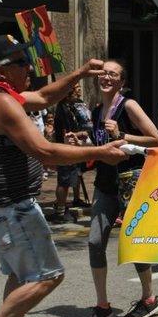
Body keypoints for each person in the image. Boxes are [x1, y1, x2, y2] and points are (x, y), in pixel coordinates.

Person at [0, 34, 127, 317]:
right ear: (1, 70)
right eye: (21, 63)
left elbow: (42, 96)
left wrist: (79, 73)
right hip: (11, 207)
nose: (29, 67)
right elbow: (45, 152)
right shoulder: (1, 103)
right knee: (48, 276)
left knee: (20, 273)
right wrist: (100, 152)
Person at [78, 59, 158, 317]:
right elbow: (104, 145)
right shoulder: (95, 111)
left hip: (131, 183)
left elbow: (156, 139)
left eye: (113, 74)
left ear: (121, 81)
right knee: (94, 242)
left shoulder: (129, 105)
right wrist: (84, 141)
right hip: (105, 184)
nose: (106, 77)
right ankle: (102, 305)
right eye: (103, 73)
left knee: (133, 243)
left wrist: (125, 134)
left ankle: (148, 298)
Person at [51, 83, 92, 223]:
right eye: (76, 90)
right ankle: (60, 210)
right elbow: (63, 130)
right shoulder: (62, 109)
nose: (78, 92)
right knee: (64, 179)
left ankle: (76, 199)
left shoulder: (72, 107)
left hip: (73, 146)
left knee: (75, 174)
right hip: (65, 147)